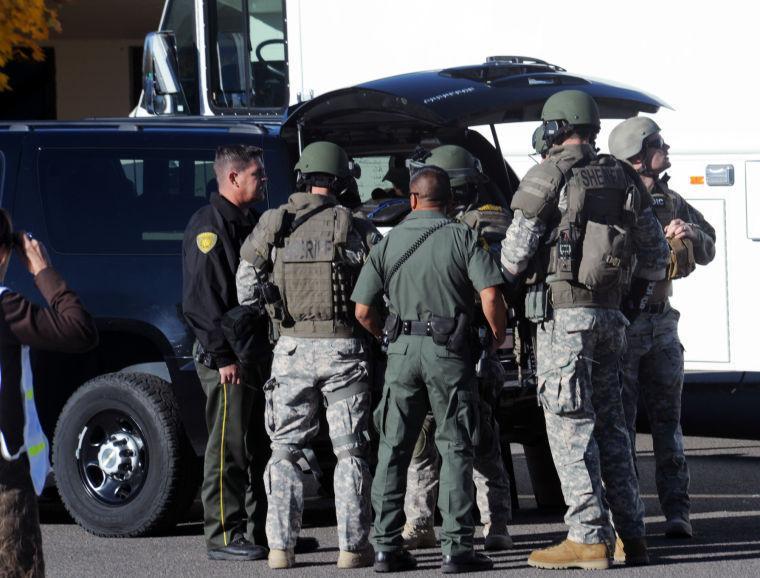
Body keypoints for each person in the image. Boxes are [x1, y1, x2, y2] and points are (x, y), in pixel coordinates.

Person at [500, 90, 670, 570]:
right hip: (612, 318)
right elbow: (656, 258)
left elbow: (513, 258)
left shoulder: (549, 173)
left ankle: (588, 537)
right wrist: (626, 303)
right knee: (613, 427)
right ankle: (631, 535)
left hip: (564, 320)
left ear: (555, 128)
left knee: (570, 427)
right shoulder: (622, 176)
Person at [353, 166, 507, 574]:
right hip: (449, 353)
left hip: (401, 352)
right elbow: (490, 294)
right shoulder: (462, 236)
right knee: (455, 445)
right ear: (450, 201)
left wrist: (388, 338)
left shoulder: (388, 242)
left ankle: (386, 547)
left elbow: (363, 310)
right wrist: (496, 335)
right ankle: (457, 549)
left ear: (414, 199)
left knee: (393, 449)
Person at [237, 141, 380, 570]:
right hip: (344, 351)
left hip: (292, 350)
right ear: (341, 180)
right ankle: (352, 548)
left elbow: (246, 290)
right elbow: (380, 284)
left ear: (302, 176)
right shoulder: (354, 226)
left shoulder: (273, 223)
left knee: (283, 450)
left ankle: (280, 548)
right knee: (350, 451)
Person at [400, 145, 514, 553]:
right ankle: (493, 524)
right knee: (477, 439)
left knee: (440, 439)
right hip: (473, 348)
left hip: (462, 349)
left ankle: (425, 522)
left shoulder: (462, 230)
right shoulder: (495, 220)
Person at [609, 117, 716, 540]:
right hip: (624, 325)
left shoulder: (670, 201)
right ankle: (630, 519)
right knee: (621, 428)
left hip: (662, 324)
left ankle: (677, 512)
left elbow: (708, 245)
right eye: (659, 144)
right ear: (638, 154)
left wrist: (689, 233)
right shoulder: (612, 202)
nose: (667, 149)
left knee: (668, 425)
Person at [182, 144, 269, 561]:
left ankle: (259, 531)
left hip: (249, 351)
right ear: (233, 178)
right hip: (227, 358)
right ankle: (222, 535)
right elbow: (201, 303)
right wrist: (222, 358)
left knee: (257, 445)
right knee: (227, 447)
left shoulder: (245, 221)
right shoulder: (209, 227)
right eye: (257, 174)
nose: (263, 180)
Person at [0, 211, 98, 577]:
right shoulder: (6, 307)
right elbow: (79, 330)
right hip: (6, 472)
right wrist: (42, 270)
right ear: (5, 255)